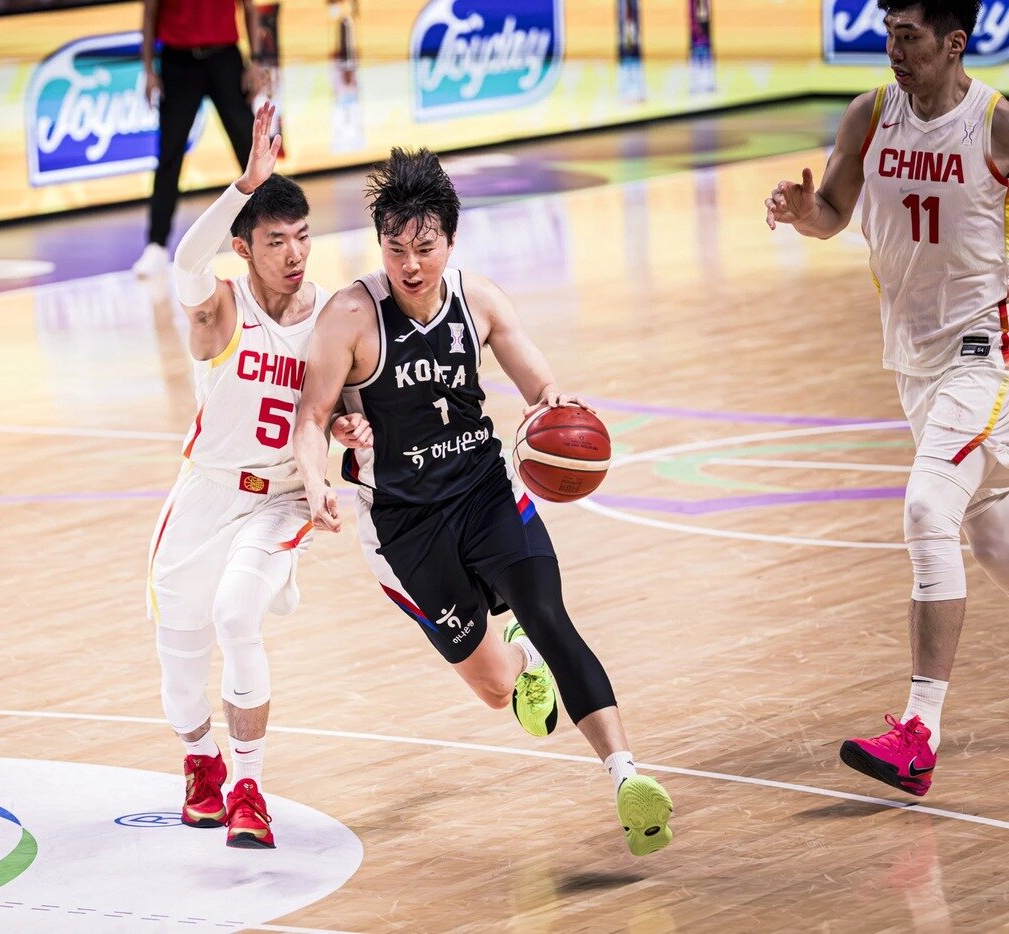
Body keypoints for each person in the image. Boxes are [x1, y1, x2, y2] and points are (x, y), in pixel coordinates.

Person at [292, 147, 675, 857]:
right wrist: (317, 479)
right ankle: (518, 666)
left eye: (425, 247)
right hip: (406, 529)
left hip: (484, 493)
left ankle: (627, 778)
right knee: (496, 689)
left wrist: (557, 409)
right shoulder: (351, 315)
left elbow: (543, 393)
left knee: (550, 615)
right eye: (396, 248)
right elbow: (312, 417)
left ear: (450, 242)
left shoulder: (481, 300)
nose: (411, 264)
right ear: (381, 245)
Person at [766, 0, 1009, 798]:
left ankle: (919, 732)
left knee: (926, 512)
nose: (893, 50)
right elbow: (834, 212)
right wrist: (807, 216)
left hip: (986, 356)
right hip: (914, 363)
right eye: (888, 34)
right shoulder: (869, 115)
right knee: (993, 537)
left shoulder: (994, 125)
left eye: (908, 37)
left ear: (954, 42)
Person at [148, 104, 362, 848]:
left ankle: (249, 786)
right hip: (205, 492)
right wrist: (244, 184)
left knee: (237, 615)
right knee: (179, 658)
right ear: (244, 248)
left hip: (281, 496)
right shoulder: (220, 309)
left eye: (303, 236)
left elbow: (349, 402)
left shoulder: (334, 316)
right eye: (276, 240)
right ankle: (201, 763)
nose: (295, 252)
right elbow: (183, 263)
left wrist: (352, 426)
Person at [132, 0, 266, 278]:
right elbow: (150, 12)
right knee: (169, 153)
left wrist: (255, 62)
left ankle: (275, 223)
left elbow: (250, 8)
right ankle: (156, 245)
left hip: (225, 58)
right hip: (178, 63)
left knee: (250, 149)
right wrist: (148, 71)